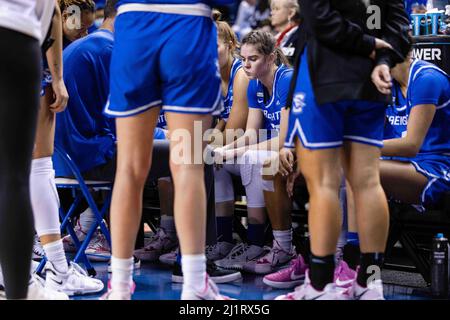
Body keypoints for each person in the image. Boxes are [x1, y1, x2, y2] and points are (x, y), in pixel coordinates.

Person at [277, 0, 411, 300]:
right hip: (372, 80)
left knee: (323, 182)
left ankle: (320, 286)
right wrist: (382, 60)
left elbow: (320, 19)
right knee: (367, 181)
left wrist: (366, 44)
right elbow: (400, 29)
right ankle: (370, 283)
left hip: (324, 74)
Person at [103, 0, 235, 300]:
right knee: (188, 166)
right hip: (188, 22)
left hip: (134, 23)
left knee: (129, 168)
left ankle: (120, 287)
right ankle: (195, 284)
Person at [213, 30, 296, 274]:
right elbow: (250, 134)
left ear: (270, 58)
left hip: (294, 150)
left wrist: (234, 151)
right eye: (244, 58)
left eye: (253, 59)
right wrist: (223, 150)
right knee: (216, 162)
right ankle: (224, 240)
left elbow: (283, 139)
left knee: (249, 157)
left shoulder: (286, 79)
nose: (246, 64)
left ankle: (257, 242)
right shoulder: (255, 85)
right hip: (266, 151)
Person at [0, 0, 57, 299]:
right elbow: (52, 11)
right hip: (17, 31)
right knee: (15, 179)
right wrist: (57, 78)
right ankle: (23, 286)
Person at [270, 0, 302, 65]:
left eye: (277, 9)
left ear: (291, 13)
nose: (272, 13)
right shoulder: (274, 39)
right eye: (272, 9)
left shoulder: (300, 37)